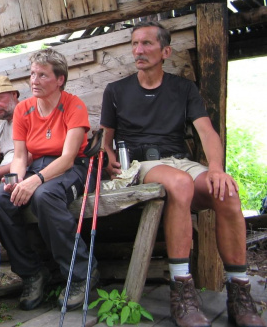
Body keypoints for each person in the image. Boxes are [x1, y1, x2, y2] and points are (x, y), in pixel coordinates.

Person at [100, 21, 264, 327]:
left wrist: (216, 169)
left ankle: (239, 293)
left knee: (226, 192)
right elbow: (104, 140)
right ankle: (182, 289)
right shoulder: (116, 91)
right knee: (179, 183)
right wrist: (108, 158)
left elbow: (206, 131)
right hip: (141, 166)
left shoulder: (183, 88)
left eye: (147, 44)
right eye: (135, 44)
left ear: (165, 51)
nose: (139, 50)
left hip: (179, 160)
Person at [0, 48, 97, 312]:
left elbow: (68, 158)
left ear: (59, 79)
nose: (34, 80)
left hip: (73, 169)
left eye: (43, 75)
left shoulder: (74, 105)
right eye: (32, 74)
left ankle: (81, 274)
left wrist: (34, 182)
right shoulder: (24, 109)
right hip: (37, 167)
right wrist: (18, 180)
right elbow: (21, 155)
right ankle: (32, 273)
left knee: (44, 196)